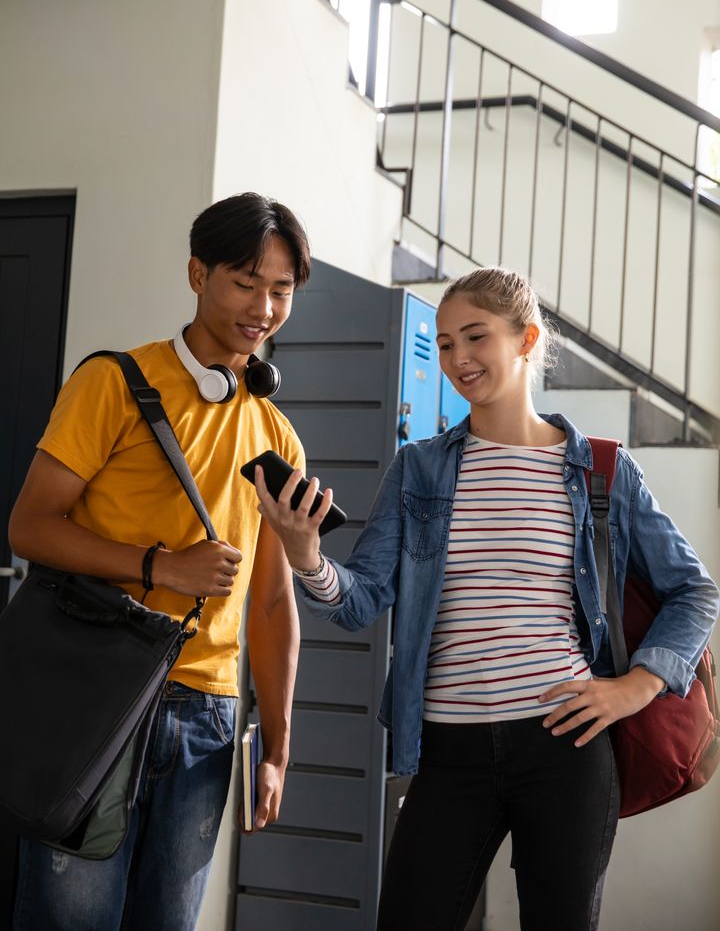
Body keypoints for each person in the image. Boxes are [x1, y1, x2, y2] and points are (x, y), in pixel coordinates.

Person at [253, 266, 720, 931]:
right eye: (444, 344)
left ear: (526, 339)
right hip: (447, 753)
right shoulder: (419, 470)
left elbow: (694, 591)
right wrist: (305, 554)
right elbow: (359, 601)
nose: (457, 359)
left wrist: (637, 686)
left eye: (475, 338)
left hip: (566, 749)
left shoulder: (602, 471)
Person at [8, 192, 311, 931]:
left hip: (209, 715)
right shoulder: (111, 383)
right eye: (245, 281)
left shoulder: (278, 435)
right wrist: (159, 566)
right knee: (71, 920)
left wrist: (276, 746)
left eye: (282, 290)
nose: (263, 307)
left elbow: (271, 603)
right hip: (96, 695)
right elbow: (29, 526)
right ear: (195, 273)